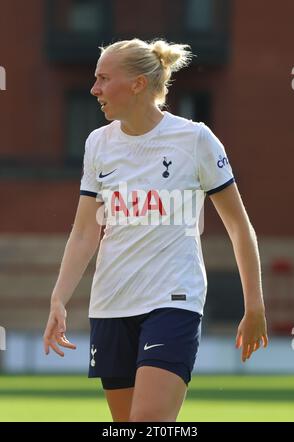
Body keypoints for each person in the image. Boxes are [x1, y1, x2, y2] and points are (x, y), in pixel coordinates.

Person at [43, 38, 268, 422]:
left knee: (148, 422)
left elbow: (239, 227)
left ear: (137, 84)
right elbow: (84, 233)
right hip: (111, 305)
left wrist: (255, 305)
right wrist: (59, 298)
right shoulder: (98, 144)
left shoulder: (195, 139)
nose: (94, 89)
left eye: (103, 78)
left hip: (173, 300)